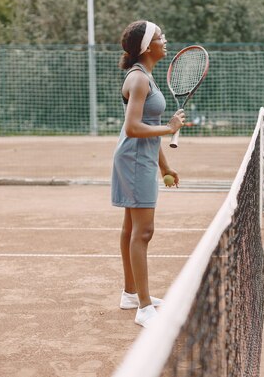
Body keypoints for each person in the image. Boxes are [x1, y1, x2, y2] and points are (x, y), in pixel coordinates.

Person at [111, 20, 185, 327]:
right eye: (159, 37)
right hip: (133, 161)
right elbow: (132, 127)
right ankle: (143, 307)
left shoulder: (146, 77)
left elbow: (147, 131)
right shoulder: (139, 80)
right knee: (143, 232)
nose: (164, 40)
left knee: (131, 229)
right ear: (146, 47)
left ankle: (131, 293)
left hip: (139, 158)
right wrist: (169, 128)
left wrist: (165, 165)